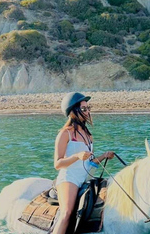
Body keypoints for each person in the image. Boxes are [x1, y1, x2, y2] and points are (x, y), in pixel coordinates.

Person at [51, 92, 114, 234]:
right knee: (67, 213)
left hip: (85, 179)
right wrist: (77, 156)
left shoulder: (88, 135)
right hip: (70, 178)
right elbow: (57, 164)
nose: (87, 111)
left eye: (88, 108)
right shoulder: (65, 134)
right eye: (84, 109)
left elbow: (89, 162)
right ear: (73, 111)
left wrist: (104, 156)